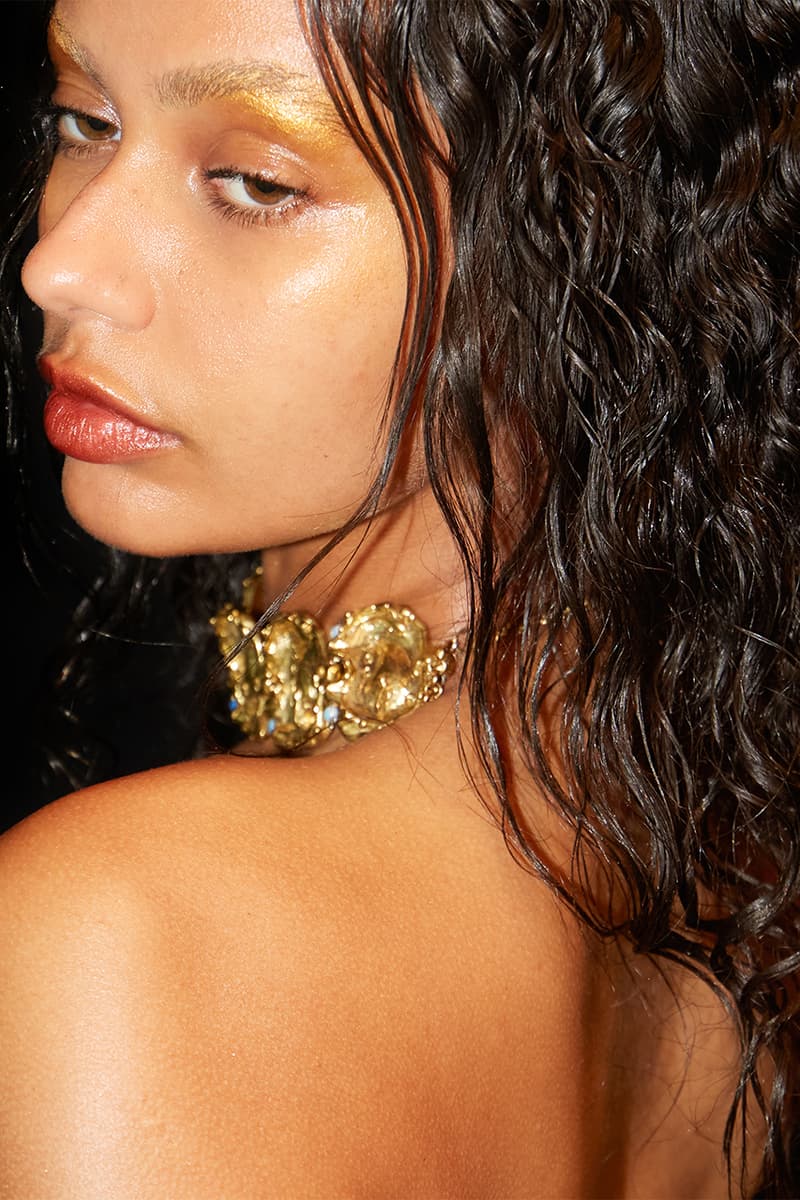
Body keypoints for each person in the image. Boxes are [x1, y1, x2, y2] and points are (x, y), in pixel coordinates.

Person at [1, 0, 798, 1195]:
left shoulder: (125, 932)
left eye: (257, 184)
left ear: (581, 240)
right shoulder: (713, 843)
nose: (59, 262)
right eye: (84, 117)